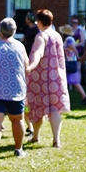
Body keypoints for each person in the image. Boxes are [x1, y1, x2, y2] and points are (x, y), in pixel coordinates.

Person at [26, 9, 71, 147]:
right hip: (56, 77)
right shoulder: (57, 35)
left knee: (37, 107)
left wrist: (30, 66)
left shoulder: (41, 36)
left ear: (39, 22)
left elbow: (38, 53)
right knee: (55, 108)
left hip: (41, 78)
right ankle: (56, 140)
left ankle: (35, 136)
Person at [0, 17, 28, 159]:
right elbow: (26, 65)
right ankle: (18, 149)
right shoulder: (20, 46)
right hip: (16, 88)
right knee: (17, 120)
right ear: (14, 31)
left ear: (0, 30)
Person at [59, 24, 86, 102]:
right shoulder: (69, 39)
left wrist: (77, 56)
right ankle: (83, 96)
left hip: (70, 63)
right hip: (70, 62)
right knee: (70, 81)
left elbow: (73, 48)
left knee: (74, 81)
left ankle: (84, 96)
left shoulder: (69, 39)